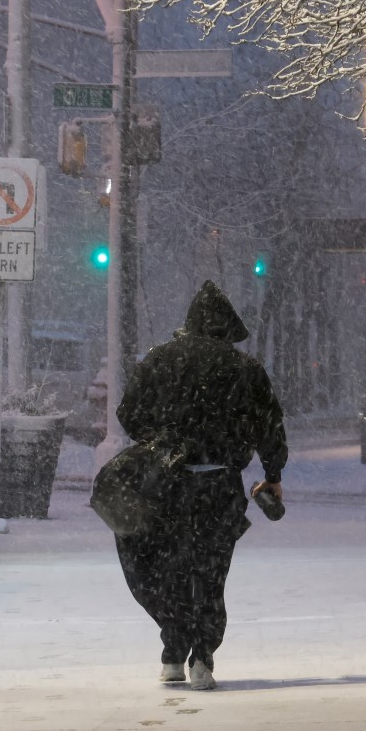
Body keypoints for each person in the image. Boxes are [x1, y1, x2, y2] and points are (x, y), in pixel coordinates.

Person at [114, 279, 287, 690]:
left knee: (163, 568)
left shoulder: (159, 360)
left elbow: (129, 414)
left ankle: (173, 649)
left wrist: (163, 441)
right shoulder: (246, 371)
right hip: (219, 486)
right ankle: (202, 658)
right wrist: (273, 475)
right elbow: (270, 427)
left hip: (165, 486)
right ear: (227, 330)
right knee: (210, 573)